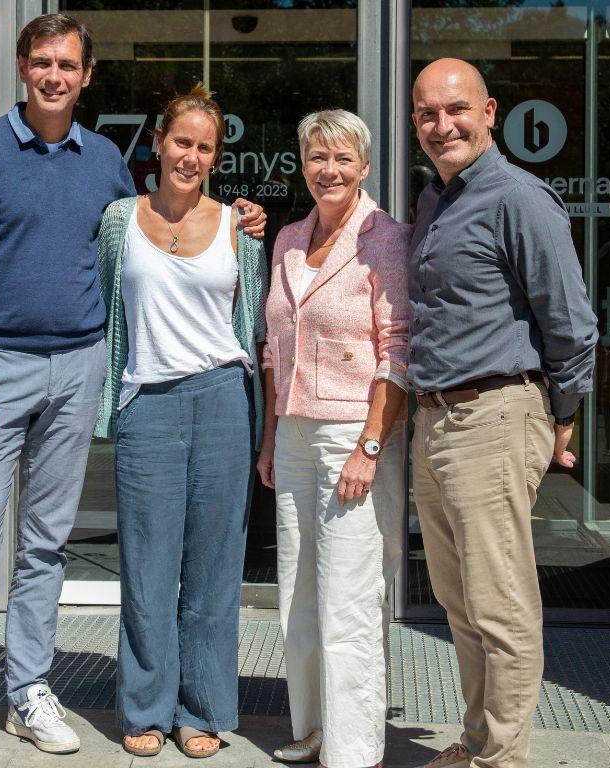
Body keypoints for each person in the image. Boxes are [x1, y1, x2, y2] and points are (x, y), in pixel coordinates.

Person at [0, 15, 264, 768]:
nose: (54, 75)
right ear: (22, 66)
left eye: (66, 64)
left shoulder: (105, 160)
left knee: (45, 546)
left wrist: (243, 217)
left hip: (78, 369)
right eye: (42, 61)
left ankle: (29, 691)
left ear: (86, 74)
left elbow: (143, 239)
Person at [407, 59, 598, 768]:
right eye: (427, 113)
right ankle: (479, 741)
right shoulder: (436, 199)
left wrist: (564, 413)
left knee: (501, 605)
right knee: (460, 605)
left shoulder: (519, 197)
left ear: (489, 112)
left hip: (494, 414)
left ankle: (504, 759)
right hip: (437, 424)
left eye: (455, 109)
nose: (440, 125)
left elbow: (572, 322)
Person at [94, 83, 269, 760]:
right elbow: (109, 310)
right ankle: (144, 706)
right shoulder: (117, 220)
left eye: (205, 146)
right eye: (181, 142)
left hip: (223, 401)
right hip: (148, 404)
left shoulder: (239, 227)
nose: (191, 156)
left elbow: (252, 327)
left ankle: (201, 710)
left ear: (216, 156)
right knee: (147, 565)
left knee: (214, 570)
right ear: (159, 143)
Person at [256, 109, 411, 768]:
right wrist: (269, 437)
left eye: (344, 159)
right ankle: (314, 727)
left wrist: (370, 444)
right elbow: (273, 348)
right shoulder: (288, 238)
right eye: (319, 157)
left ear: (365, 166)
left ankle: (354, 752)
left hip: (354, 433)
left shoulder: (386, 239)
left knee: (349, 599)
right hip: (292, 434)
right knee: (298, 593)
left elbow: (397, 350)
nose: (331, 170)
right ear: (304, 163)